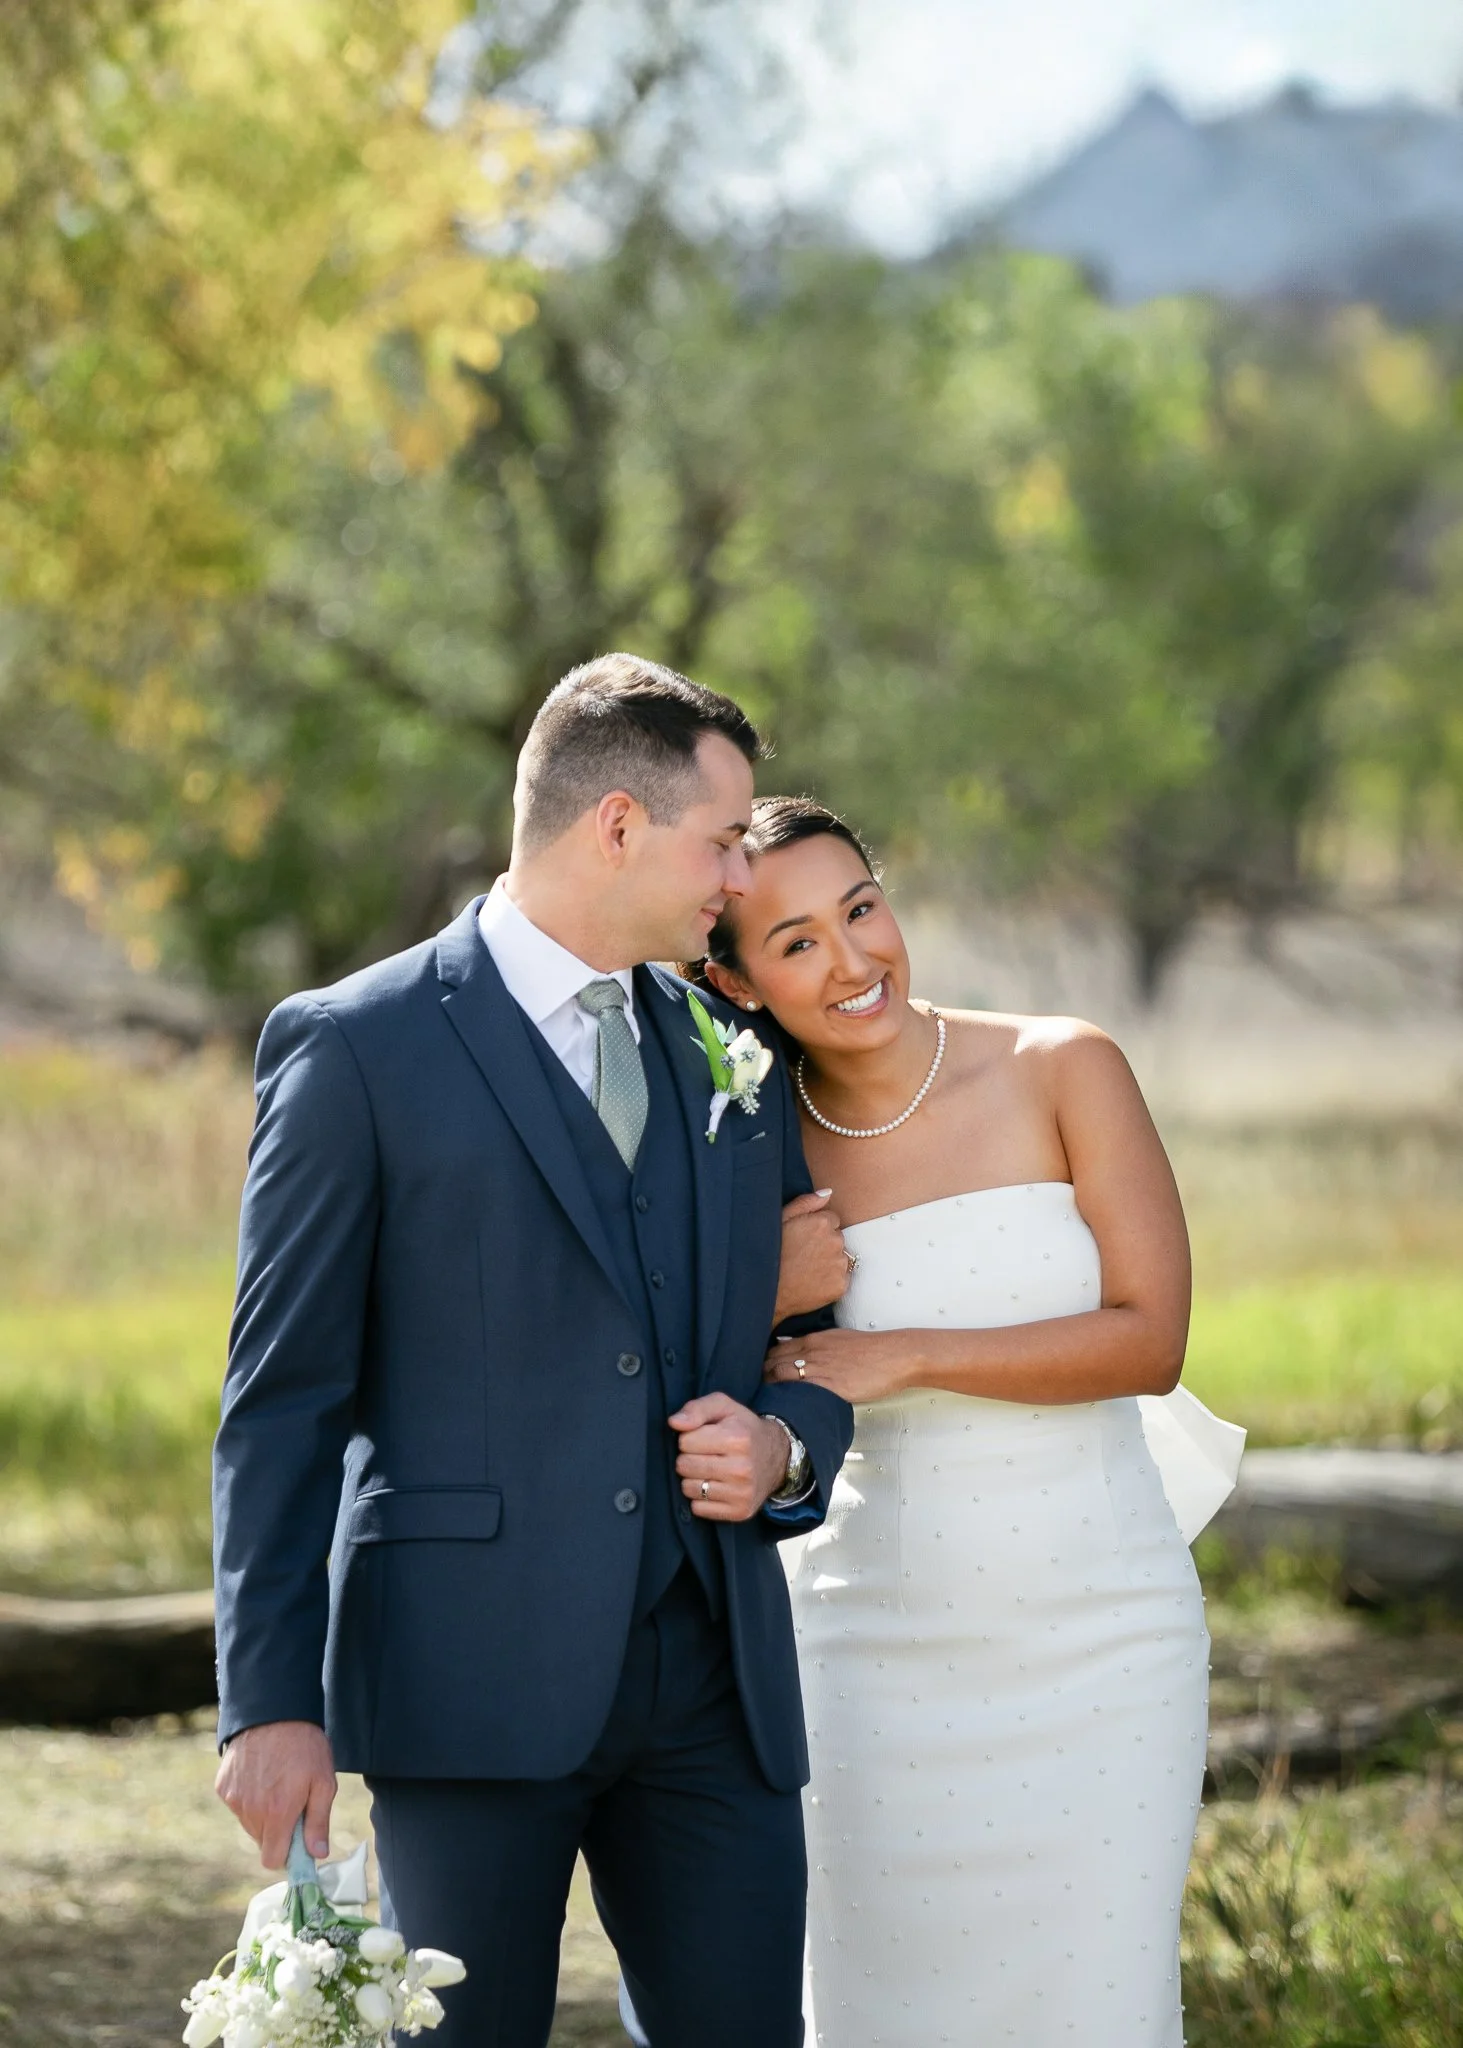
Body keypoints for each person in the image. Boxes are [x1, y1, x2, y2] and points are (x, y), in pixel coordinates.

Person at [211, 657, 856, 2048]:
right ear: (616, 825)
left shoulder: (728, 1050)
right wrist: (266, 1702)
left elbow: (806, 1342)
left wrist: (789, 1448)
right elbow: (283, 1403)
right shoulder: (358, 1049)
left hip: (714, 1686)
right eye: (720, 842)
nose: (738, 881)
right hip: (464, 1679)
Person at [693, 794, 1224, 2048]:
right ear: (736, 979)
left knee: (1101, 2004)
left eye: (860, 910)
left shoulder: (1061, 1064)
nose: (853, 959)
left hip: (1102, 1635)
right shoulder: (746, 1145)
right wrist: (764, 1289)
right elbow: (684, 1363)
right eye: (797, 941)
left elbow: (1149, 1339)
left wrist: (898, 1351)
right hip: (865, 1640)